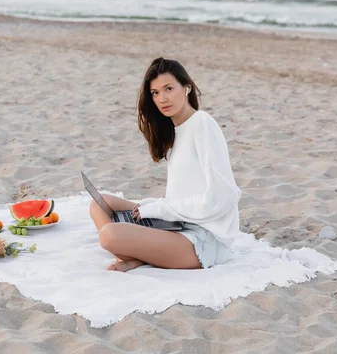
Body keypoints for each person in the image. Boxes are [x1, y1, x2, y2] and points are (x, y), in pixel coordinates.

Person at [89, 57, 241, 272]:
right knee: (100, 202)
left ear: (186, 88)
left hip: (202, 239)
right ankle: (143, 253)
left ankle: (139, 254)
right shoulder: (175, 132)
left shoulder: (202, 123)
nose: (162, 98)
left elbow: (223, 197)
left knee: (109, 234)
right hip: (177, 225)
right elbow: (182, 196)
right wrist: (153, 208)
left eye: (169, 88)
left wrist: (159, 209)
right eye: (155, 93)